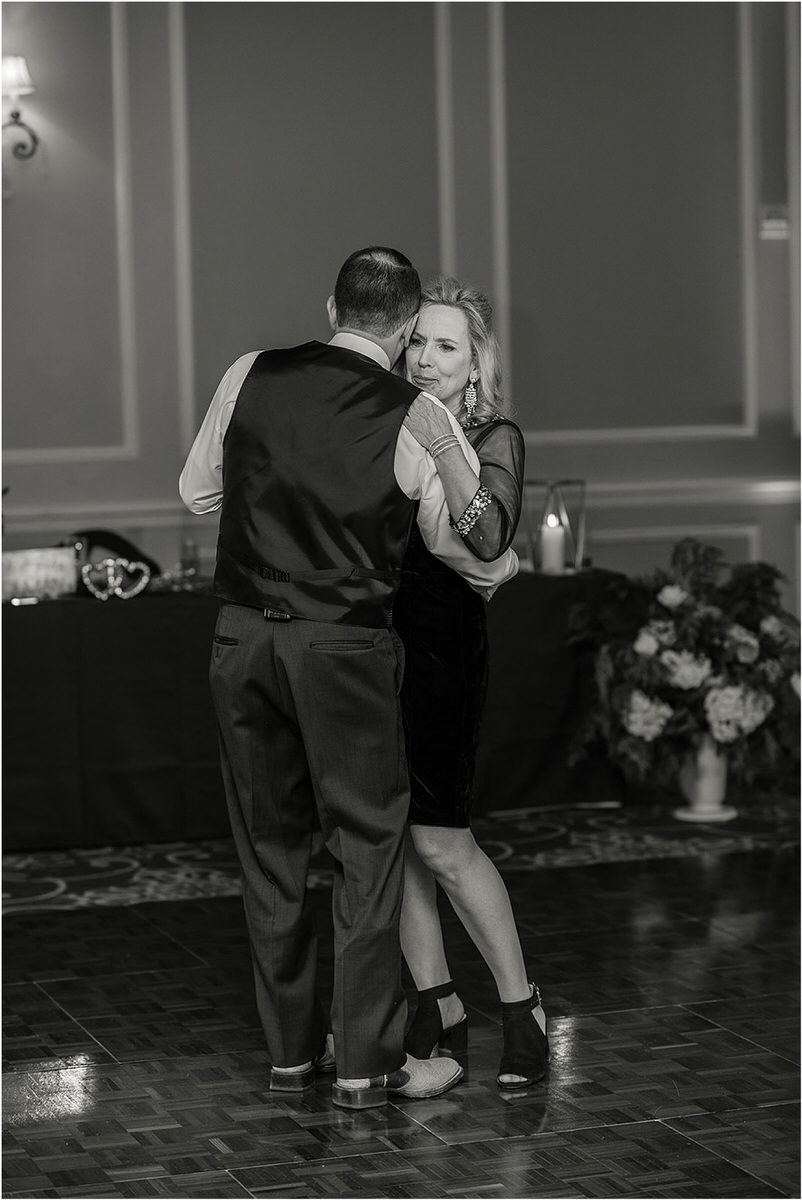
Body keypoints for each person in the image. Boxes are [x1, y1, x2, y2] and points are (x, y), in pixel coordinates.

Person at [178, 248, 518, 1110]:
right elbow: (468, 545)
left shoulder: (249, 372)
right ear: (405, 329)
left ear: (332, 307)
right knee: (367, 848)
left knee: (270, 850)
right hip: (342, 649)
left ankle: (293, 1056)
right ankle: (369, 1066)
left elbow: (198, 493)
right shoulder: (416, 414)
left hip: (241, 638)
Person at [393, 276, 549, 1090]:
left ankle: (521, 1008)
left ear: (475, 365)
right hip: (367, 651)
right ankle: (438, 1003)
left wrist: (442, 438)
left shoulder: (494, 435)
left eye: (445, 345)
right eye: (417, 340)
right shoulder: (378, 422)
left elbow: (488, 538)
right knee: (393, 843)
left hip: (442, 654)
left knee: (442, 843)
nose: (425, 358)